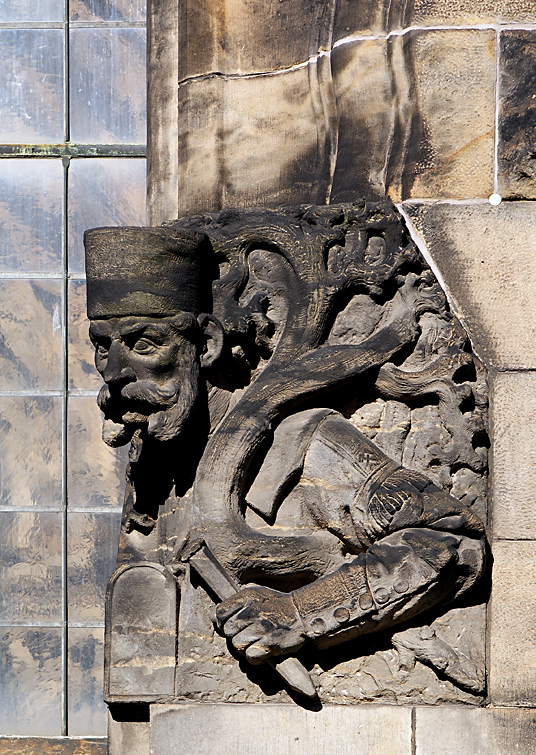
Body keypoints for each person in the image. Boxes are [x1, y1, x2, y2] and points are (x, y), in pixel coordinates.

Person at [85, 224, 486, 677]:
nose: (114, 373)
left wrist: (299, 613)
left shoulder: (306, 440)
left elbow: (450, 538)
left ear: (207, 345)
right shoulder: (153, 464)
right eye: (102, 348)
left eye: (143, 344)